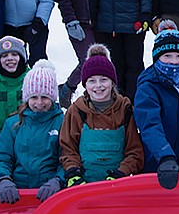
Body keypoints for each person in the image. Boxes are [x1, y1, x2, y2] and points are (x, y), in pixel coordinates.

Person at [59, 44, 143, 185]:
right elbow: (68, 150)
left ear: (112, 82)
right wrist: (73, 172)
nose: (98, 86)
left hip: (118, 185)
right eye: (92, 81)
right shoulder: (76, 111)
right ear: (85, 85)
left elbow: (135, 152)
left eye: (104, 79)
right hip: (82, 186)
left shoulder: (125, 109)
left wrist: (122, 172)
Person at [133, 22, 179, 189]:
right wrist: (165, 156)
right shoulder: (149, 87)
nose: (174, 62)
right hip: (155, 160)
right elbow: (150, 125)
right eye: (167, 56)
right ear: (157, 57)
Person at [0, 60, 64, 204]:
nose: (39, 103)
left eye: (45, 97)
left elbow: (66, 158)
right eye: (34, 97)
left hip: (50, 194)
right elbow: (2, 157)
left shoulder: (62, 122)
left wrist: (58, 180)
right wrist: (2, 179)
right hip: (17, 194)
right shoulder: (13, 124)